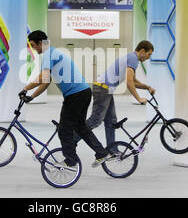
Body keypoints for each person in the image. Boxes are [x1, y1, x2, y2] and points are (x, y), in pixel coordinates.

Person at [19, 30, 112, 169]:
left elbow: (43, 79)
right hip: (83, 92)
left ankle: (70, 160)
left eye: (33, 45)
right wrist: (32, 96)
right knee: (80, 127)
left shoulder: (47, 55)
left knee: (64, 129)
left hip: (75, 95)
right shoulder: (53, 52)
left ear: (40, 43)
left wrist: (26, 88)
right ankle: (101, 152)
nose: (33, 48)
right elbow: (46, 82)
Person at [79, 40, 156, 151]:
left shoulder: (132, 58)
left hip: (106, 89)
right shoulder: (133, 59)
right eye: (149, 54)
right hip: (102, 89)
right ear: (142, 51)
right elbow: (129, 82)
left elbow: (133, 81)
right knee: (96, 120)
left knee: (111, 121)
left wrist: (147, 87)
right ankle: (71, 139)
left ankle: (112, 150)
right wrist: (138, 98)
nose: (149, 57)